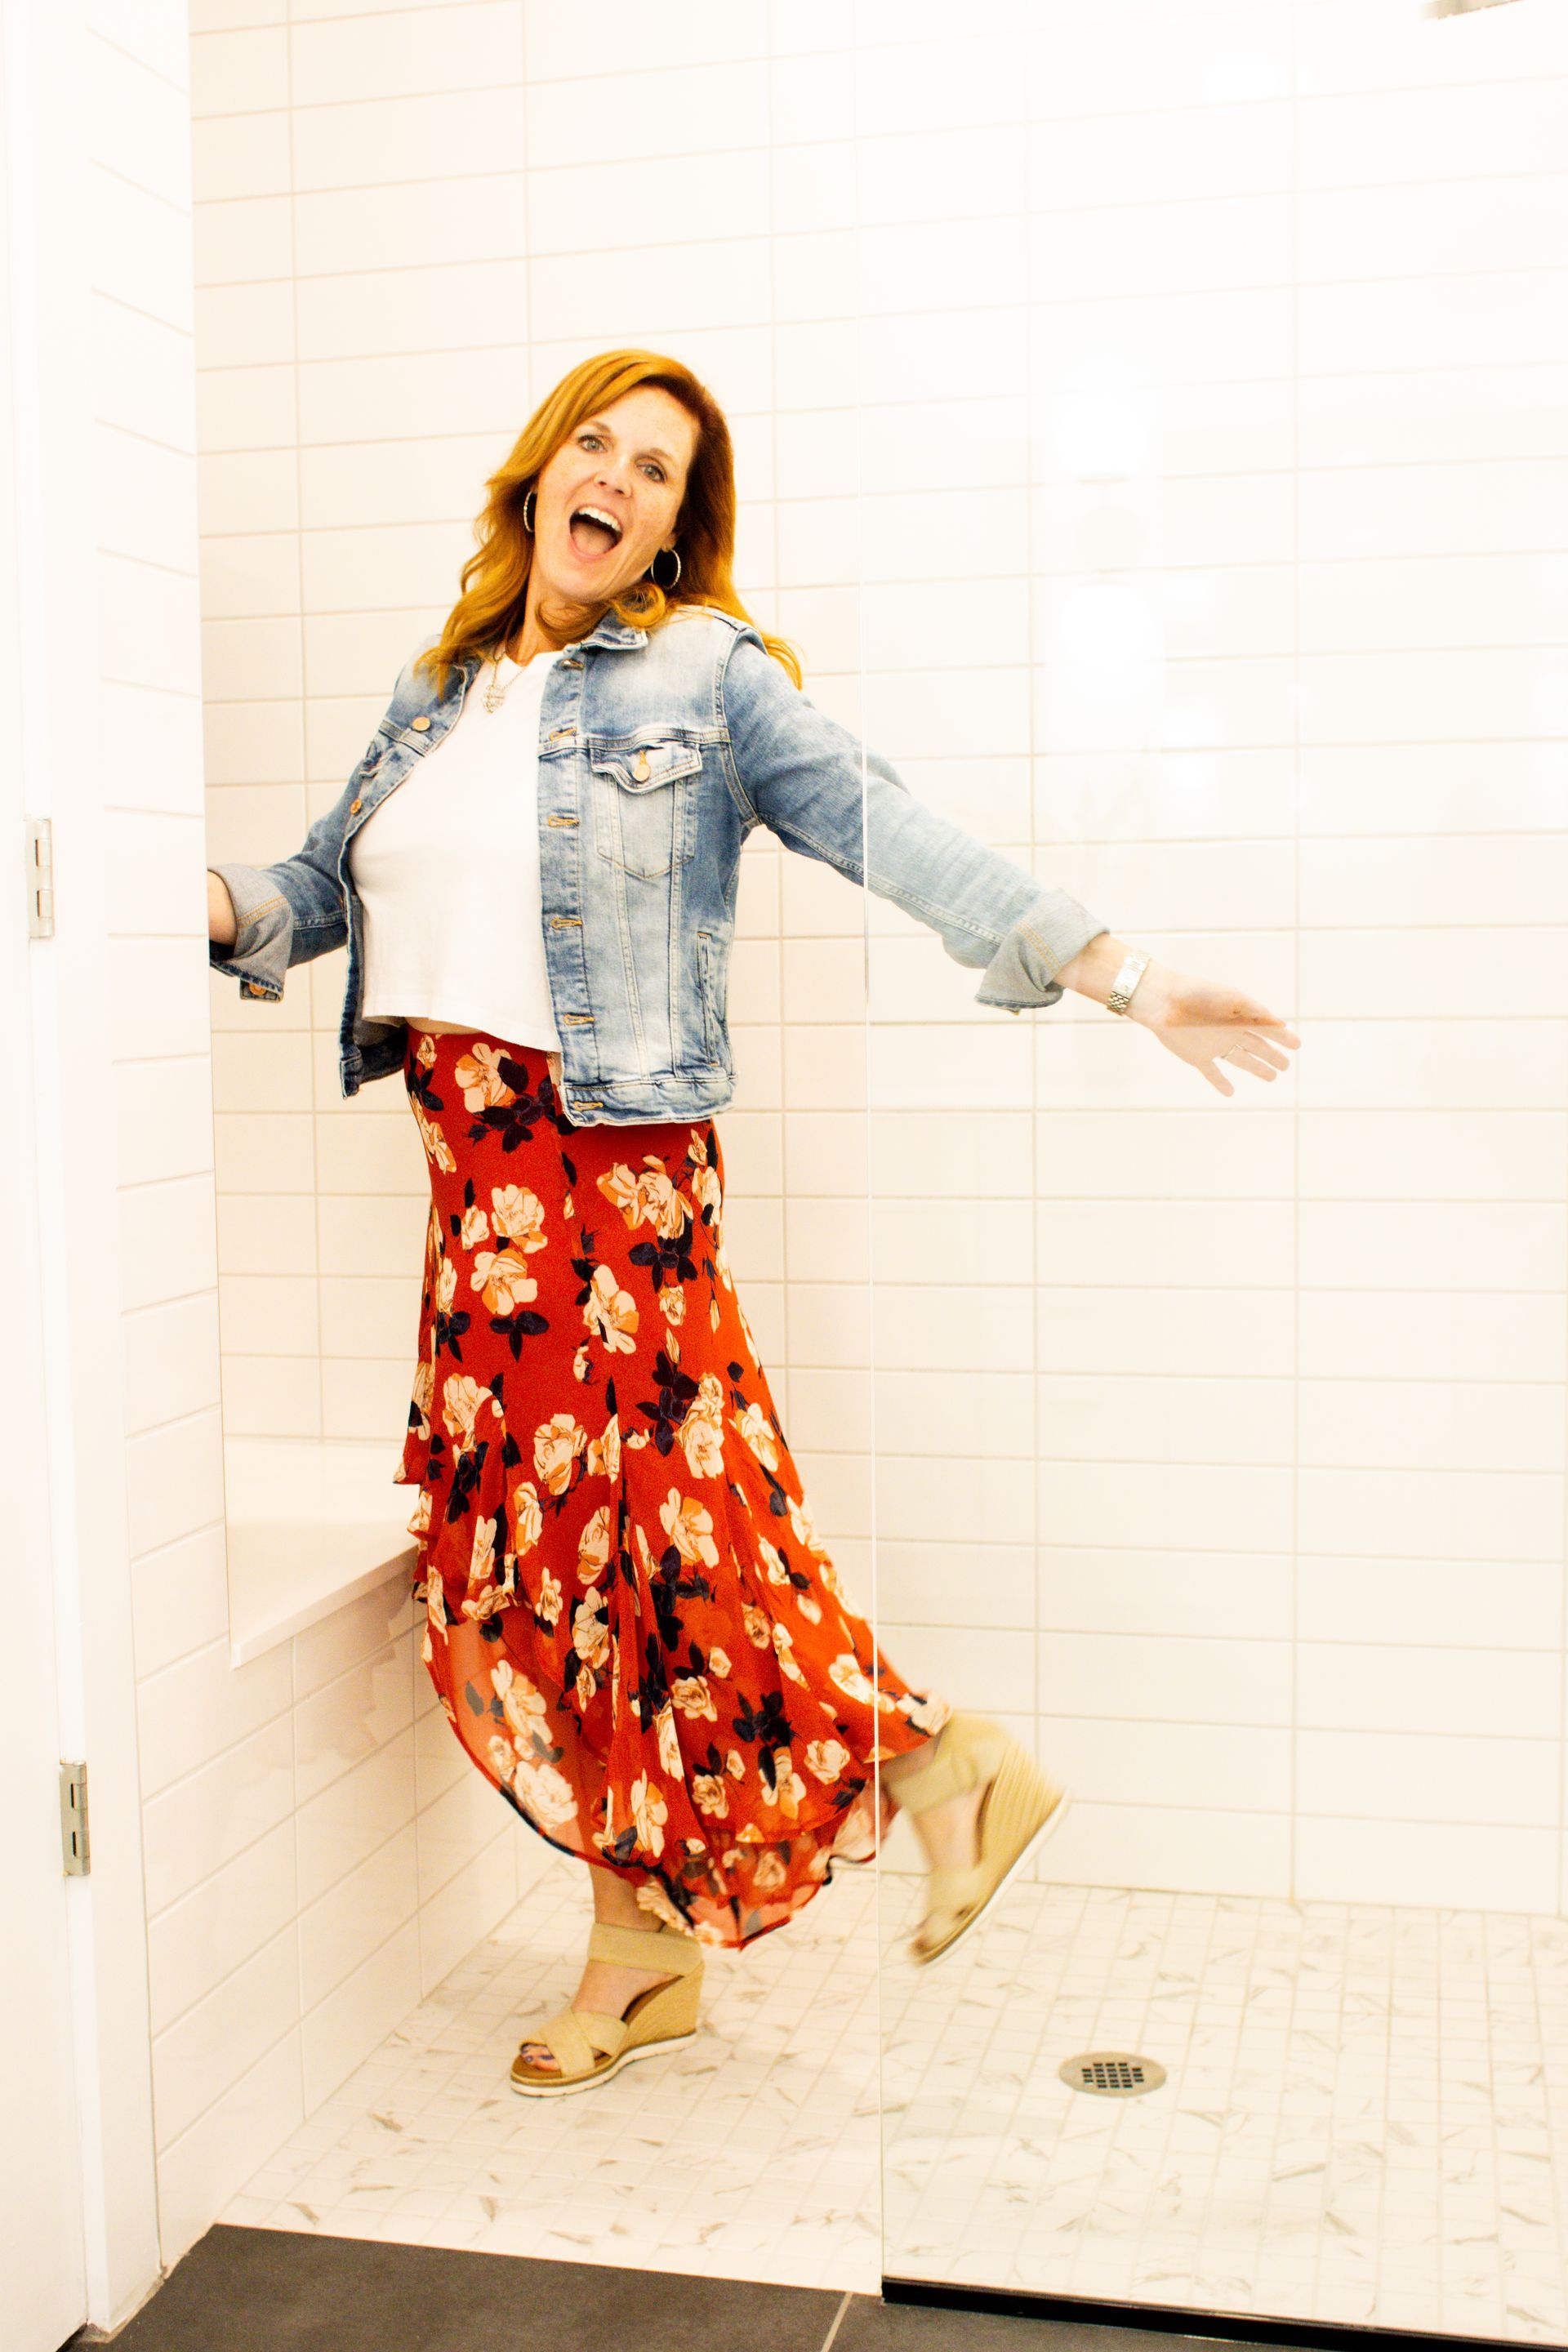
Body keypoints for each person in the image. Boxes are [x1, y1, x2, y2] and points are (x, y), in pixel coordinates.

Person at [207, 349, 1298, 2097]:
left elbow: (897, 831)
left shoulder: (706, 677)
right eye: (598, 446)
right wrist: (157, 892)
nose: (619, 481)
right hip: (472, 1201)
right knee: (578, 1580)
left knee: (674, 1554)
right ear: (538, 471)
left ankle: (931, 1761)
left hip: (606, 1179)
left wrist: (1128, 974)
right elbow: (325, 886)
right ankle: (650, 1954)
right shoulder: (438, 690)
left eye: (659, 473)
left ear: (673, 529)